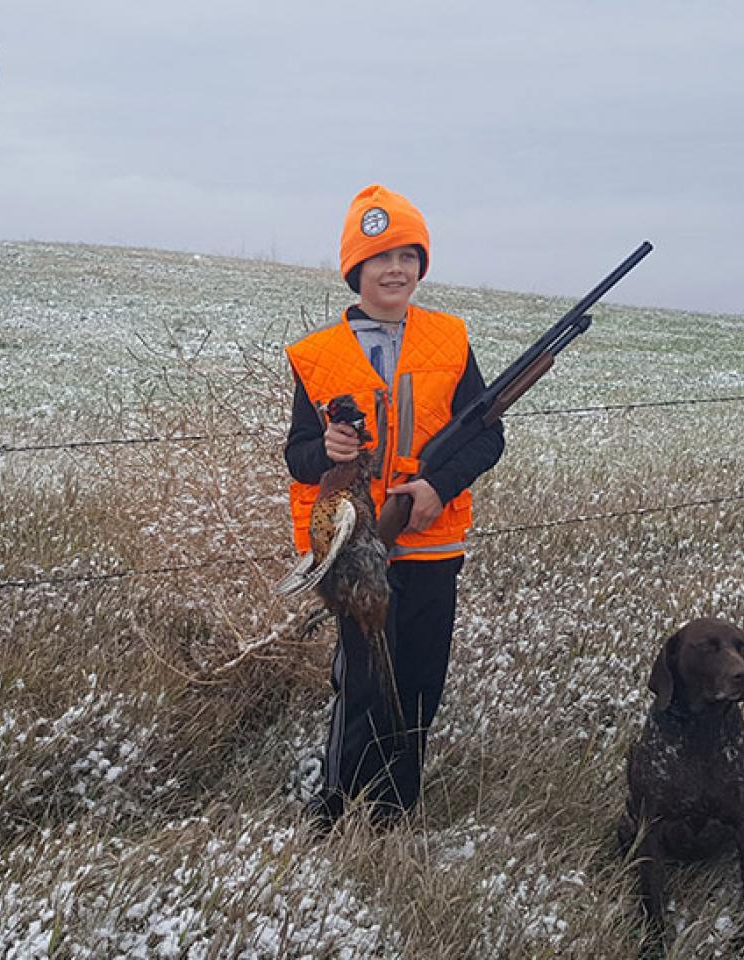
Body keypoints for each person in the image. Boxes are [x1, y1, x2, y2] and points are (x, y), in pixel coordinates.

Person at [285, 184, 504, 828]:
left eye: (409, 256)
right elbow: (297, 454)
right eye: (381, 257)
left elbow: (487, 436)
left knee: (419, 682)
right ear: (356, 269)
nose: (396, 270)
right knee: (362, 680)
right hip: (354, 551)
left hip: (432, 544)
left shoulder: (451, 341)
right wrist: (327, 450)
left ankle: (394, 808)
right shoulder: (318, 356)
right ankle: (338, 804)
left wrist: (438, 489)